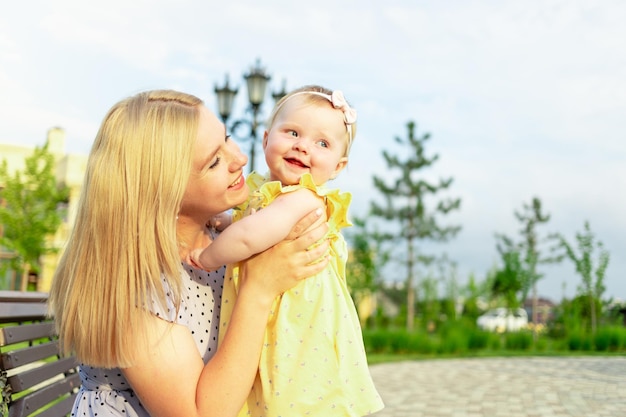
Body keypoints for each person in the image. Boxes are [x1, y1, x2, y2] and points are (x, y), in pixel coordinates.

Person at [47, 89, 331, 417]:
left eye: (227, 138)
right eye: (215, 161)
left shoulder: (217, 238)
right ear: (165, 187)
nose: (239, 159)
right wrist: (259, 290)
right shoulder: (137, 294)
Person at [190, 85, 384, 416]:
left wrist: (208, 256)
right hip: (271, 319)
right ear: (266, 139)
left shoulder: (303, 199)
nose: (302, 146)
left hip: (298, 326)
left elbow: (250, 236)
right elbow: (241, 221)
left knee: (291, 395)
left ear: (338, 167)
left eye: (322, 143)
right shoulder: (263, 194)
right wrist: (221, 221)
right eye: (292, 132)